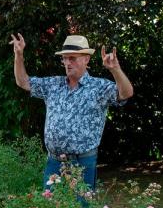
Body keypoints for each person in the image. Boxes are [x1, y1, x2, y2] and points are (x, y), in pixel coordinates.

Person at [10, 30, 133, 190]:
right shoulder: (54, 84)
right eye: (65, 58)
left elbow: (126, 93)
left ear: (86, 59)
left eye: (72, 58)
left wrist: (115, 69)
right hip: (54, 162)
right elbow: (23, 82)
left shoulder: (98, 87)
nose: (67, 63)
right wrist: (19, 55)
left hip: (82, 163)